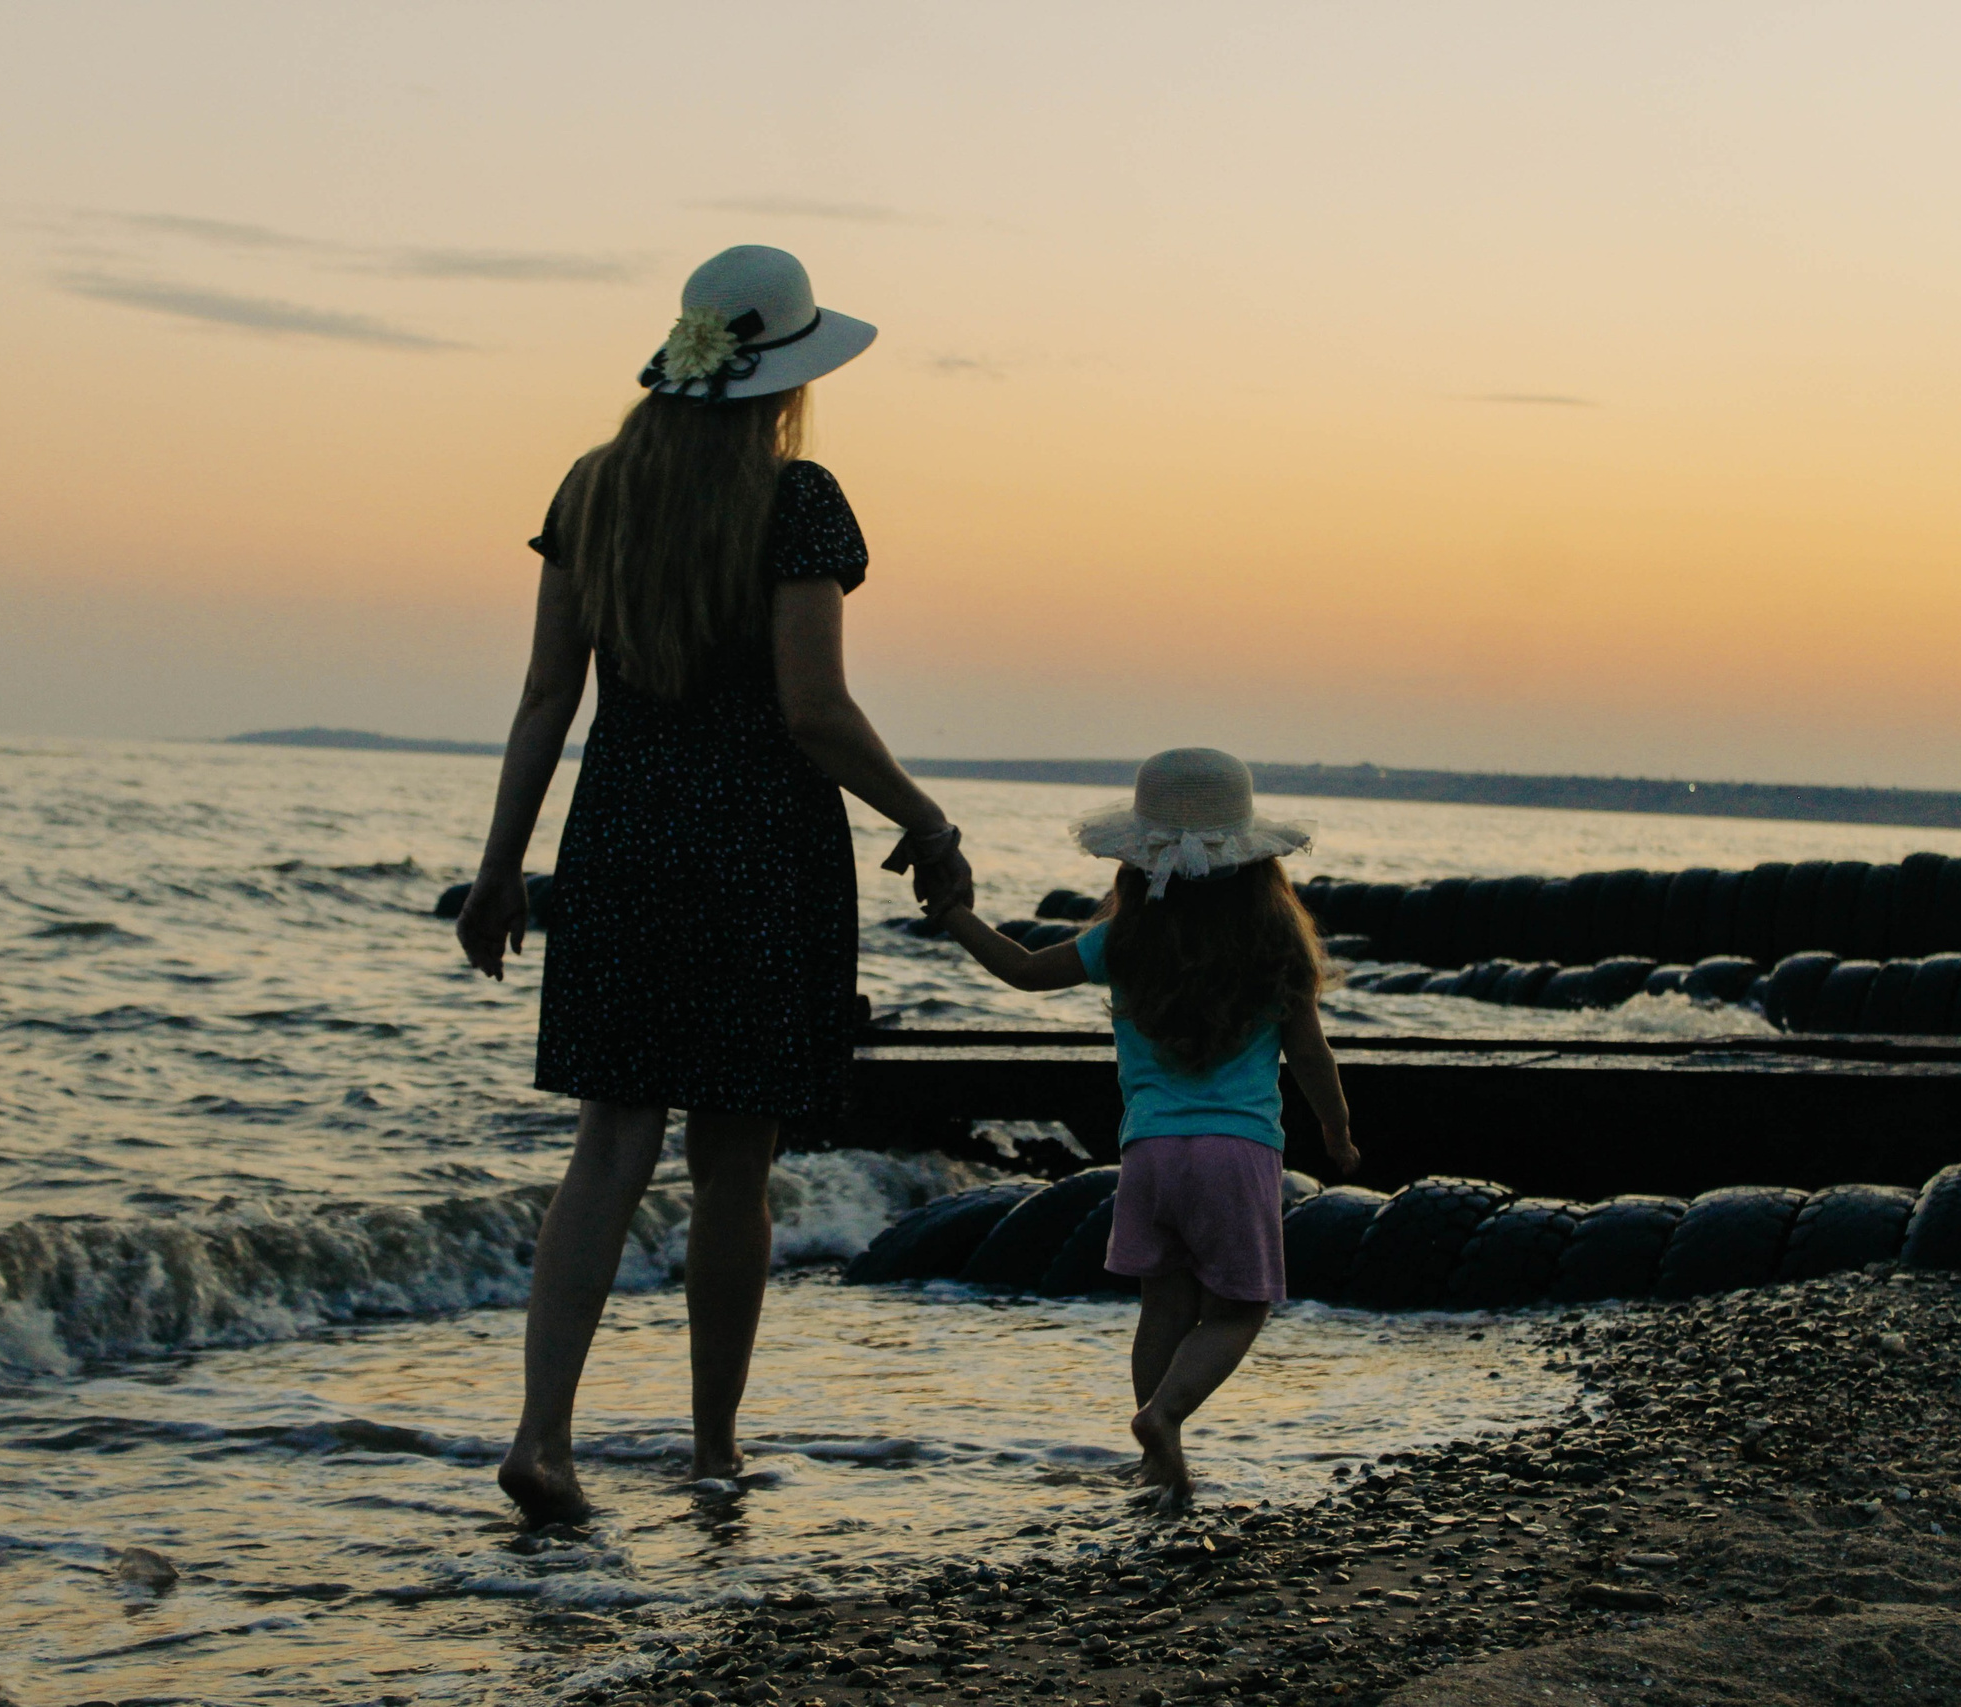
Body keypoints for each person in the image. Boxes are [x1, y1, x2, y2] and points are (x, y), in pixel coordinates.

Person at [458, 245, 973, 1525]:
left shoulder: (592, 488)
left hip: (621, 842)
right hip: (757, 855)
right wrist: (924, 817)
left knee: (608, 1146)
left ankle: (544, 1438)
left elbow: (542, 701)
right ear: (789, 375)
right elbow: (814, 711)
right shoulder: (796, 499)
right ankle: (709, 1448)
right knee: (734, 1164)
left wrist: (498, 871)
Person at [926, 748, 1359, 1509]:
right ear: (1257, 861)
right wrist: (1337, 1130)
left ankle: (1160, 1462)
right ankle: (1164, 1415)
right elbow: (1311, 1054)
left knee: (1164, 1307)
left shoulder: (1123, 939)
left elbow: (1023, 970)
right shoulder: (1277, 942)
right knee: (1239, 1308)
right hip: (1239, 1153)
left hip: (1149, 1155)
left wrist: (956, 913)